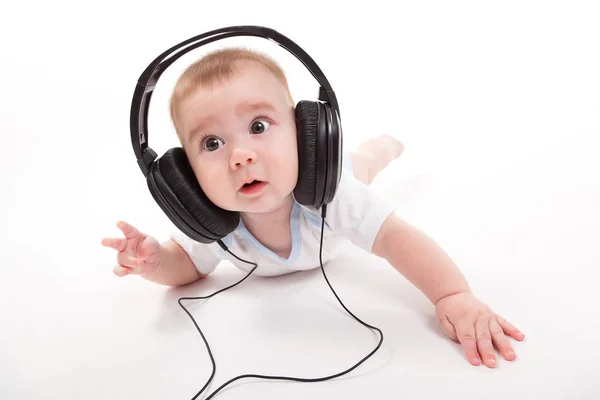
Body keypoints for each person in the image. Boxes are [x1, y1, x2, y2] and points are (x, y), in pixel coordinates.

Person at [102, 48, 525, 369]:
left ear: (309, 134)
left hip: (341, 177)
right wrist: (156, 262)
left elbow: (398, 240)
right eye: (212, 143)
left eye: (258, 126)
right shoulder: (215, 225)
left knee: (361, 167)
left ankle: (381, 147)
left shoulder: (335, 195)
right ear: (185, 175)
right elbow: (188, 268)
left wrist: (453, 294)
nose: (240, 156)